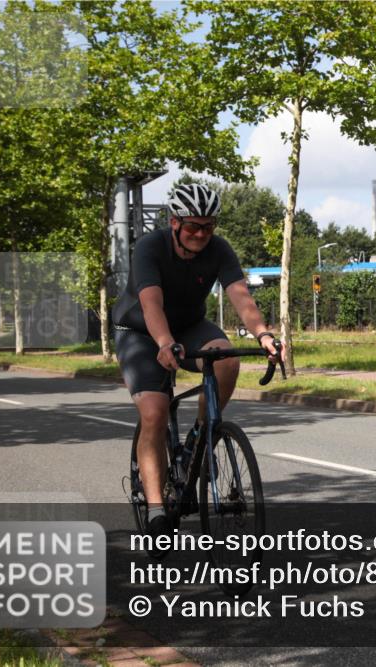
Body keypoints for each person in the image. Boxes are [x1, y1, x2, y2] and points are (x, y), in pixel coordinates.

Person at [113, 183, 281, 554]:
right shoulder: (150, 247)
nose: (202, 234)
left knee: (226, 356)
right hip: (141, 330)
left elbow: (240, 294)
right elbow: (151, 303)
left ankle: (200, 439)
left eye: (209, 226)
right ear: (174, 223)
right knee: (155, 412)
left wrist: (264, 335)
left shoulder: (218, 249)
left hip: (189, 326)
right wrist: (162, 343)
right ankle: (157, 510)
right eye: (193, 226)